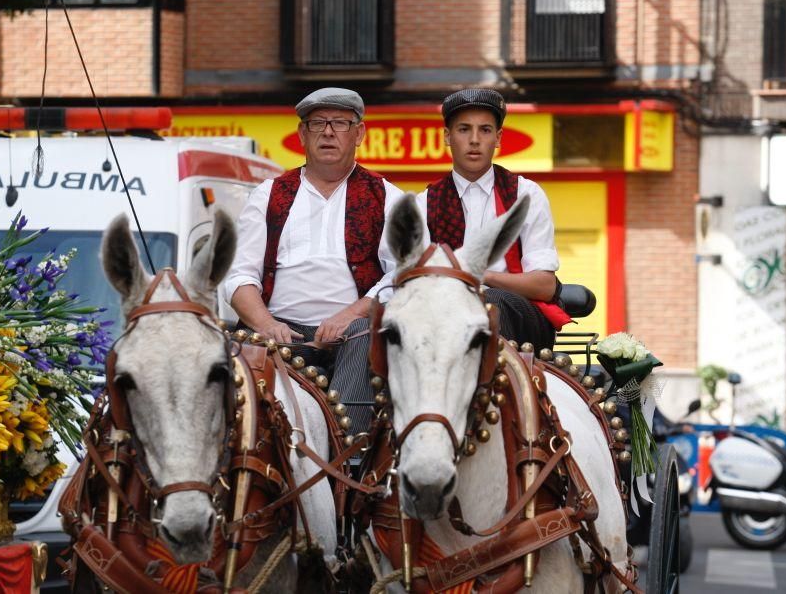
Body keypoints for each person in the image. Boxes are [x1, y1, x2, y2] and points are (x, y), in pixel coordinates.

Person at [225, 87, 404, 434]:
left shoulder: (386, 196)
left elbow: (401, 274)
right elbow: (239, 277)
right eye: (317, 123)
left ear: (359, 134)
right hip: (278, 334)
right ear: (302, 134)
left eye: (340, 122)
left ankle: (347, 448)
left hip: (353, 335)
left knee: (366, 333)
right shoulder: (269, 193)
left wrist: (349, 315)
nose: (328, 132)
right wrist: (265, 323)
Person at [416, 88, 571, 351]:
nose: (474, 140)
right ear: (447, 137)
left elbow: (544, 286)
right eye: (464, 129)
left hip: (520, 316)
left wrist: (479, 276)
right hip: (444, 319)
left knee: (490, 302)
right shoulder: (425, 203)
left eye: (485, 130)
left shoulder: (526, 195)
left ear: (498, 138)